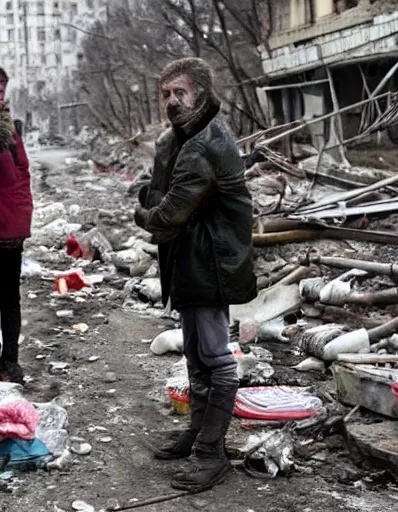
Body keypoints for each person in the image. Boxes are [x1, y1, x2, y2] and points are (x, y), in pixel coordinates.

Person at [135, 58, 257, 492]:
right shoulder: (183, 137)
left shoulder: (204, 143)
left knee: (216, 358)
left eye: (179, 93)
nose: (171, 101)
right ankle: (197, 435)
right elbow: (161, 192)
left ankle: (211, 453)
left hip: (211, 261)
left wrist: (140, 211)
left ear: (201, 93)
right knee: (195, 355)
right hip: (192, 259)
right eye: (166, 94)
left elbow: (165, 214)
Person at [0, 64, 33, 384]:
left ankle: (11, 359)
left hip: (7, 221)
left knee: (10, 293)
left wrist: (19, 218)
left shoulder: (9, 129)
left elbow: (22, 175)